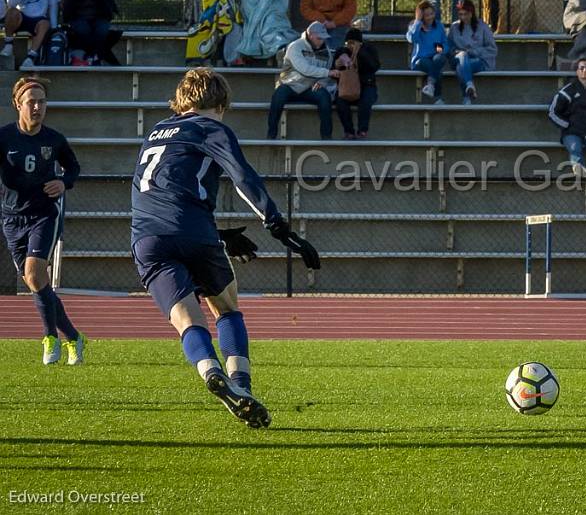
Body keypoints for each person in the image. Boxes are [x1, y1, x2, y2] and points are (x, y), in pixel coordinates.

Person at [130, 67, 320, 428]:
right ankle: (241, 385)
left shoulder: (154, 134)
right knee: (227, 308)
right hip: (194, 232)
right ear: (219, 102)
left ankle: (209, 370)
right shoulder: (210, 127)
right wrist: (277, 226)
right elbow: (242, 175)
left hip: (147, 238)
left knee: (186, 319)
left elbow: (162, 195)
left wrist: (220, 232)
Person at [1, 77, 85, 365]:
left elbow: (73, 167)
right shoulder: (4, 138)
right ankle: (74, 337)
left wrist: (64, 182)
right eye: (31, 102)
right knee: (37, 284)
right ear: (18, 104)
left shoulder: (54, 140)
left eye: (42, 101)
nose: (37, 107)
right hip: (12, 219)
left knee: (35, 275)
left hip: (43, 215)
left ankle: (51, 339)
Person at [267, 22, 341, 140]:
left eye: (323, 38)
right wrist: (328, 73)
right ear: (310, 35)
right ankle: (271, 134)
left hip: (311, 88)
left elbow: (328, 71)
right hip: (290, 85)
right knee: (278, 95)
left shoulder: (326, 51)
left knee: (324, 97)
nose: (321, 41)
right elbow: (304, 69)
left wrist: (322, 82)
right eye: (319, 38)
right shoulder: (295, 46)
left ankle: (326, 137)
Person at [548, 57, 586, 177]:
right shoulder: (568, 91)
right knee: (575, 147)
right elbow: (553, 112)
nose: (585, 70)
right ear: (577, 71)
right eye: (582, 68)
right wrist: (567, 125)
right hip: (572, 131)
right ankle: (578, 167)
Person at [63, 0, 119, 66]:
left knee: (101, 31)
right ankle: (95, 56)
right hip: (79, 17)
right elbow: (69, 5)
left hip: (99, 16)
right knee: (84, 31)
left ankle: (94, 56)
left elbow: (108, 2)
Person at [447, 0, 497, 104]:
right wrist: (456, 51)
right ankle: (469, 84)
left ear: (472, 13)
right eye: (461, 14)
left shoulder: (482, 26)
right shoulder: (454, 27)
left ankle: (466, 97)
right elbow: (448, 46)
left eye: (466, 14)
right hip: (457, 57)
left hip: (478, 61)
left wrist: (474, 51)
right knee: (462, 56)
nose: (463, 17)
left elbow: (492, 49)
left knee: (460, 67)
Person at [334, 28, 380, 140]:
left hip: (366, 85)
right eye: (348, 43)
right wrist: (341, 61)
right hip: (346, 87)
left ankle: (362, 130)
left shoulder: (369, 50)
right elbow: (333, 71)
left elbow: (374, 66)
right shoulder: (341, 52)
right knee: (340, 102)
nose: (350, 45)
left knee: (365, 102)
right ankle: (348, 131)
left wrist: (359, 53)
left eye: (352, 42)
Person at [407, 0, 449, 104]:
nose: (430, 17)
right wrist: (418, 22)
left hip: (435, 57)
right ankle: (438, 98)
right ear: (421, 16)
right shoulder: (414, 25)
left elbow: (445, 44)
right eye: (426, 15)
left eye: (431, 14)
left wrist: (439, 48)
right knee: (433, 67)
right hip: (420, 60)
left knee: (439, 59)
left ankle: (430, 85)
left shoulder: (439, 26)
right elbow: (412, 38)